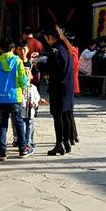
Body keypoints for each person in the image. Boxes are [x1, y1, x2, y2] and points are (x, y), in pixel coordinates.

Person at [0, 38, 32, 159]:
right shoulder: (17, 61)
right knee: (19, 123)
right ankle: (22, 149)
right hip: (15, 97)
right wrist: (24, 86)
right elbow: (22, 77)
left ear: (0, 49)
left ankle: (2, 152)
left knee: (2, 125)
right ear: (13, 49)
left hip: (1, 97)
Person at [42, 26, 74, 155]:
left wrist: (39, 65)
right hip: (68, 86)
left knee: (58, 116)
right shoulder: (66, 47)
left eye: (46, 38)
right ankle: (66, 142)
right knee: (66, 115)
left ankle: (59, 144)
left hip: (58, 87)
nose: (46, 40)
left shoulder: (54, 50)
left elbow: (52, 67)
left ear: (51, 37)